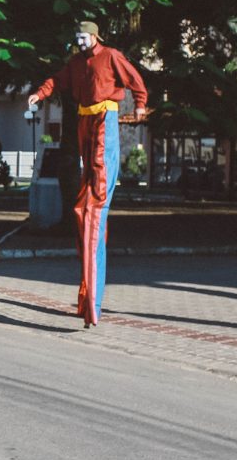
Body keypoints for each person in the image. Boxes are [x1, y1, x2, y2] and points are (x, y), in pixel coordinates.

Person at [26, 20, 148, 328]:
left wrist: (142, 106)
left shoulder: (110, 55)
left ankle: (93, 302)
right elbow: (57, 80)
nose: (79, 40)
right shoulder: (76, 62)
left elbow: (135, 80)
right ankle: (86, 299)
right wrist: (39, 94)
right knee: (85, 187)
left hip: (104, 117)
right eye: (77, 36)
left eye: (83, 35)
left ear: (94, 36)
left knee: (98, 177)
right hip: (83, 119)